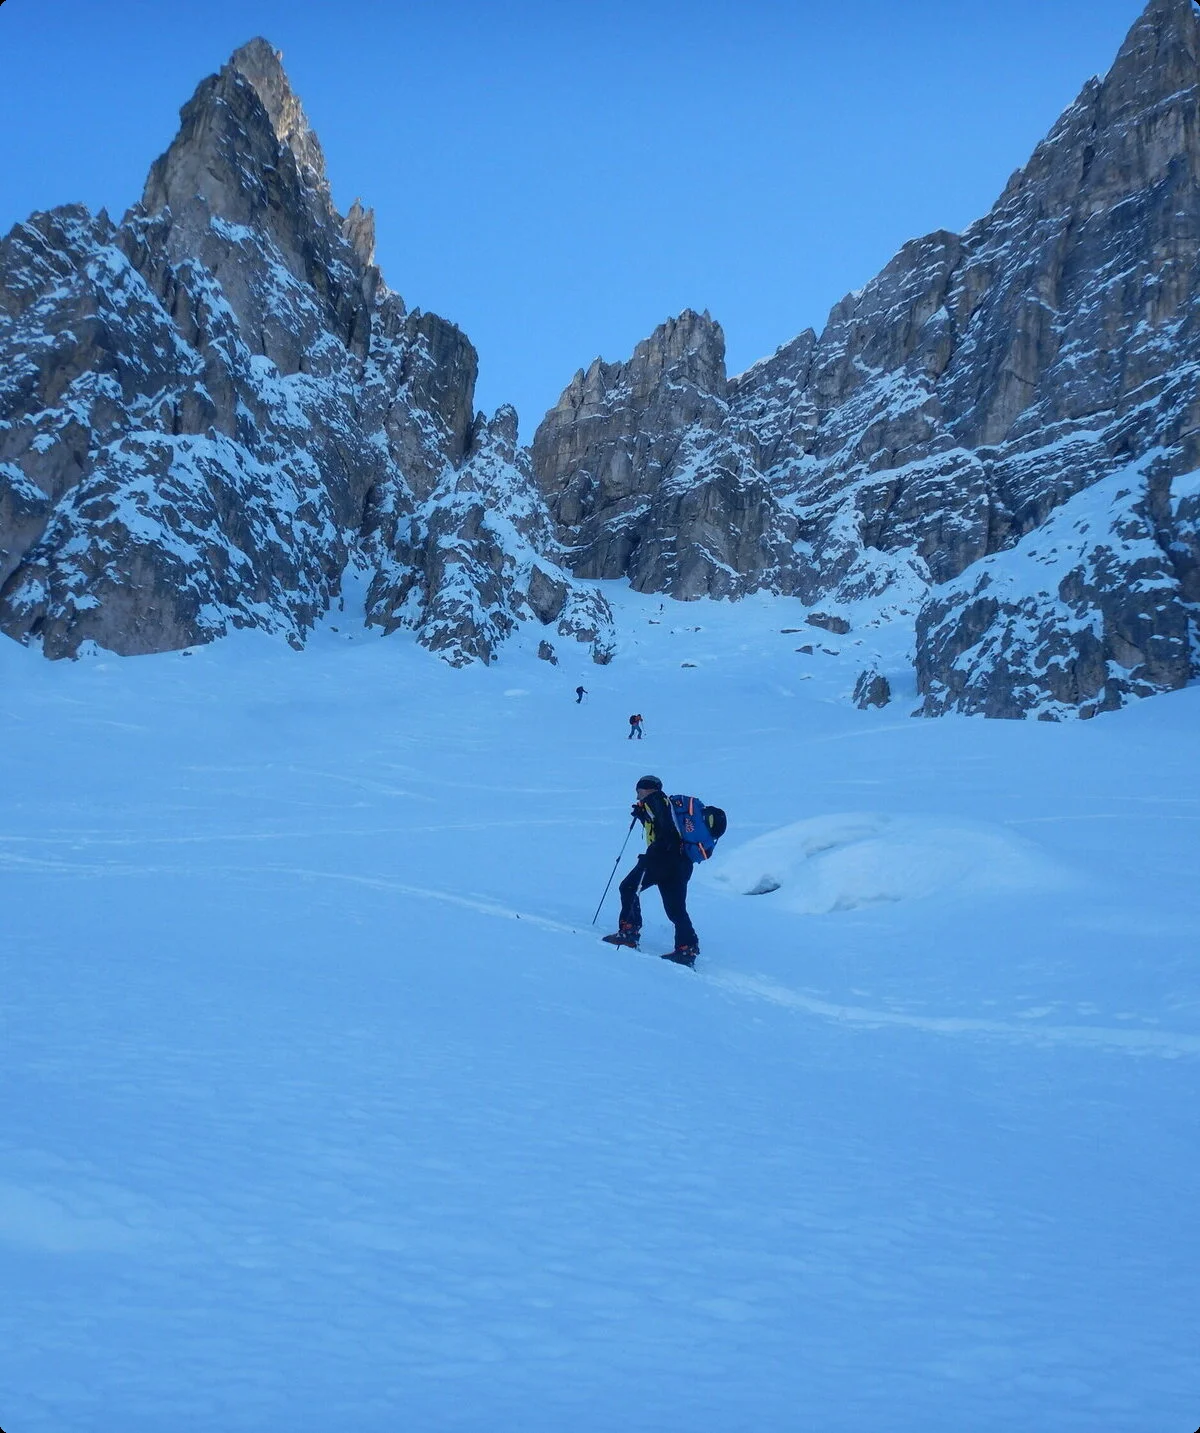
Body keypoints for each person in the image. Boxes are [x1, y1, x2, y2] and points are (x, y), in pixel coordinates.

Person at [602, 775, 699, 967]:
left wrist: (653, 854)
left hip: (662, 859)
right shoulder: (666, 803)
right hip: (681, 863)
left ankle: (629, 932)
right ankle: (687, 949)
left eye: (638, 792)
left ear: (646, 789)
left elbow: (667, 833)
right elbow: (664, 828)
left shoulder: (655, 801)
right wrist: (643, 816)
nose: (637, 797)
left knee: (628, 887)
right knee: (676, 908)